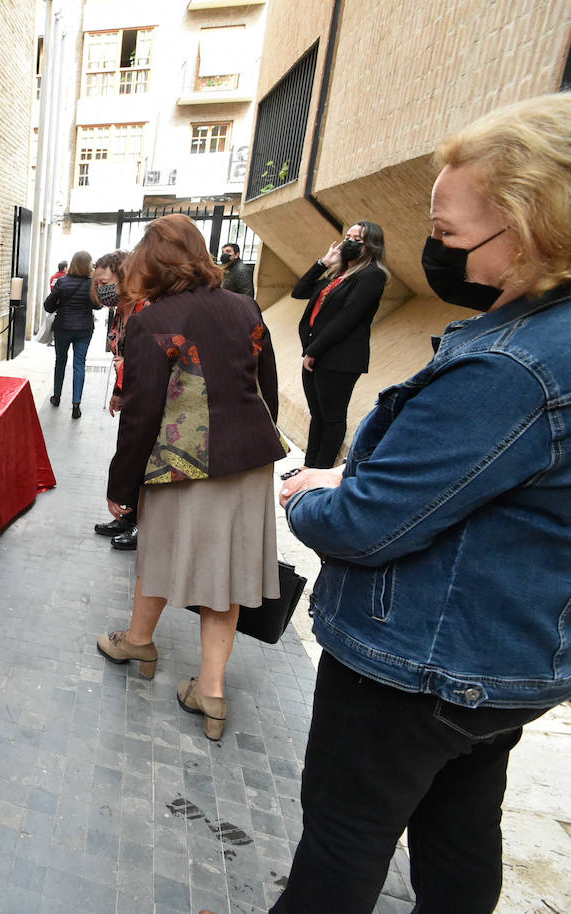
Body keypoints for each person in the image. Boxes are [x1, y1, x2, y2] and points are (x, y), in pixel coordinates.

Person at [269, 93, 571, 914]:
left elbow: (367, 525)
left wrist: (306, 496)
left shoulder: (513, 369)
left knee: (342, 841)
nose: (435, 252)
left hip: (417, 666)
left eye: (447, 235)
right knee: (459, 831)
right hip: (502, 659)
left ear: (532, 227)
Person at [96, 214, 284, 740]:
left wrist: (121, 485)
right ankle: (212, 690)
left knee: (158, 550)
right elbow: (266, 387)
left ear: (151, 262)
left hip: (186, 462)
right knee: (226, 576)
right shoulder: (245, 306)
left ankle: (139, 642)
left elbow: (141, 413)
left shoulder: (153, 321)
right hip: (248, 462)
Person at [292, 220, 388, 467]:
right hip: (317, 353)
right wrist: (324, 263)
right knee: (317, 415)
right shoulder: (337, 274)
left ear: (372, 246)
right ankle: (308, 466)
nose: (350, 243)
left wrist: (314, 351)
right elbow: (300, 291)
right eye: (348, 237)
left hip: (340, 357)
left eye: (358, 239)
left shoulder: (372, 275)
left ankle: (321, 469)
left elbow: (348, 317)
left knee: (332, 417)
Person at [90, 250, 143, 549]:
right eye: (97, 284)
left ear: (125, 278)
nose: (102, 288)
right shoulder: (118, 310)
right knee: (127, 451)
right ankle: (126, 515)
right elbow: (119, 355)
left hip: (144, 391)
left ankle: (138, 522)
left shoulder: (144, 309)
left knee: (138, 455)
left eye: (106, 281)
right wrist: (117, 391)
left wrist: (126, 375)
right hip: (129, 388)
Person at [42, 250, 101, 419]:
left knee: (60, 361)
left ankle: (57, 396)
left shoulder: (62, 282)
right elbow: (97, 306)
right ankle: (76, 404)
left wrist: (60, 302)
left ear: (73, 264)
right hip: (84, 329)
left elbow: (48, 306)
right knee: (79, 364)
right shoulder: (92, 284)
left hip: (64, 328)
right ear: (89, 265)